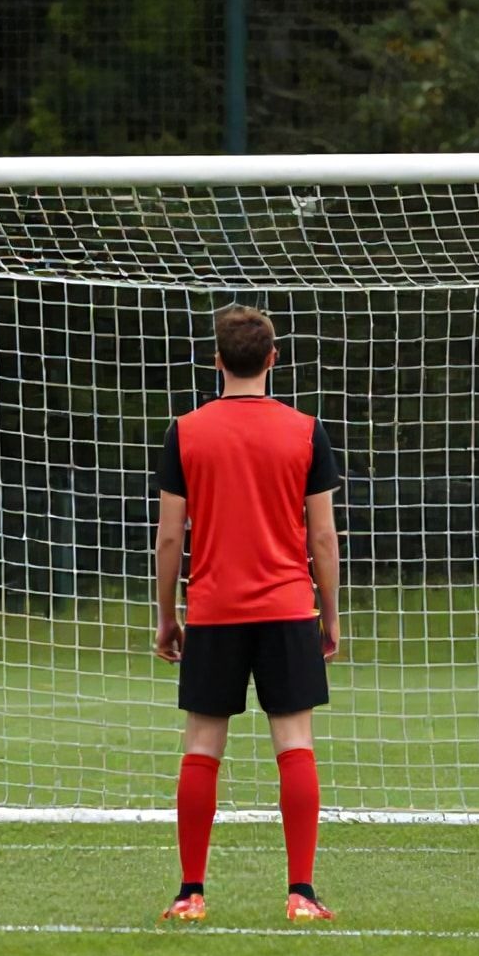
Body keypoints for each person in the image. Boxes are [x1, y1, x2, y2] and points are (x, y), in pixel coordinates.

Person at [154, 305, 342, 922]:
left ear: (216, 361)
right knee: (294, 739)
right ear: (271, 359)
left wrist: (166, 615)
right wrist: (330, 617)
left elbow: (169, 539)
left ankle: (190, 893)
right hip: (288, 608)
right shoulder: (305, 430)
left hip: (212, 609)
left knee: (202, 744)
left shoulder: (185, 431)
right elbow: (322, 539)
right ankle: (302, 893)